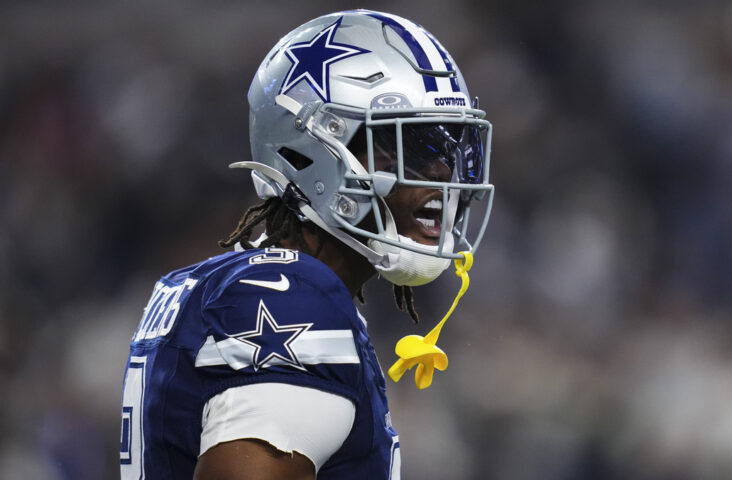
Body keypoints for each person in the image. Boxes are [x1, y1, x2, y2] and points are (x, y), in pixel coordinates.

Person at [119, 9, 493, 479]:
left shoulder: (222, 285)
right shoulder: (290, 299)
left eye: (447, 148)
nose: (441, 174)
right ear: (315, 150)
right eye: (412, 146)